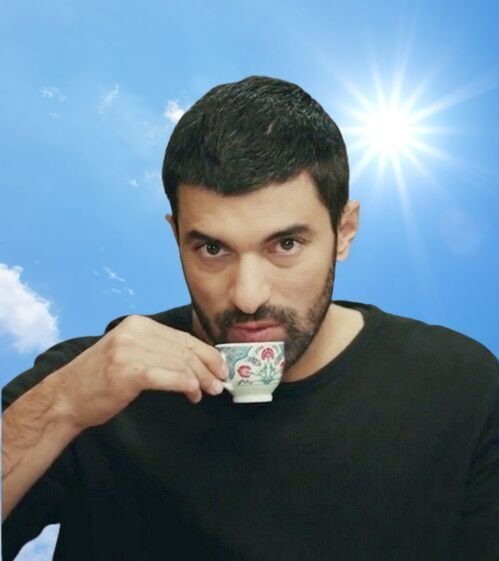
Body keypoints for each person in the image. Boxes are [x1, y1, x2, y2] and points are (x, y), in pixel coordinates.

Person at [2, 76, 498, 561]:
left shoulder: (461, 388)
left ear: (344, 231)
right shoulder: (90, 381)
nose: (247, 296)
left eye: (286, 244)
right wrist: (60, 406)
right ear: (177, 237)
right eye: (212, 249)